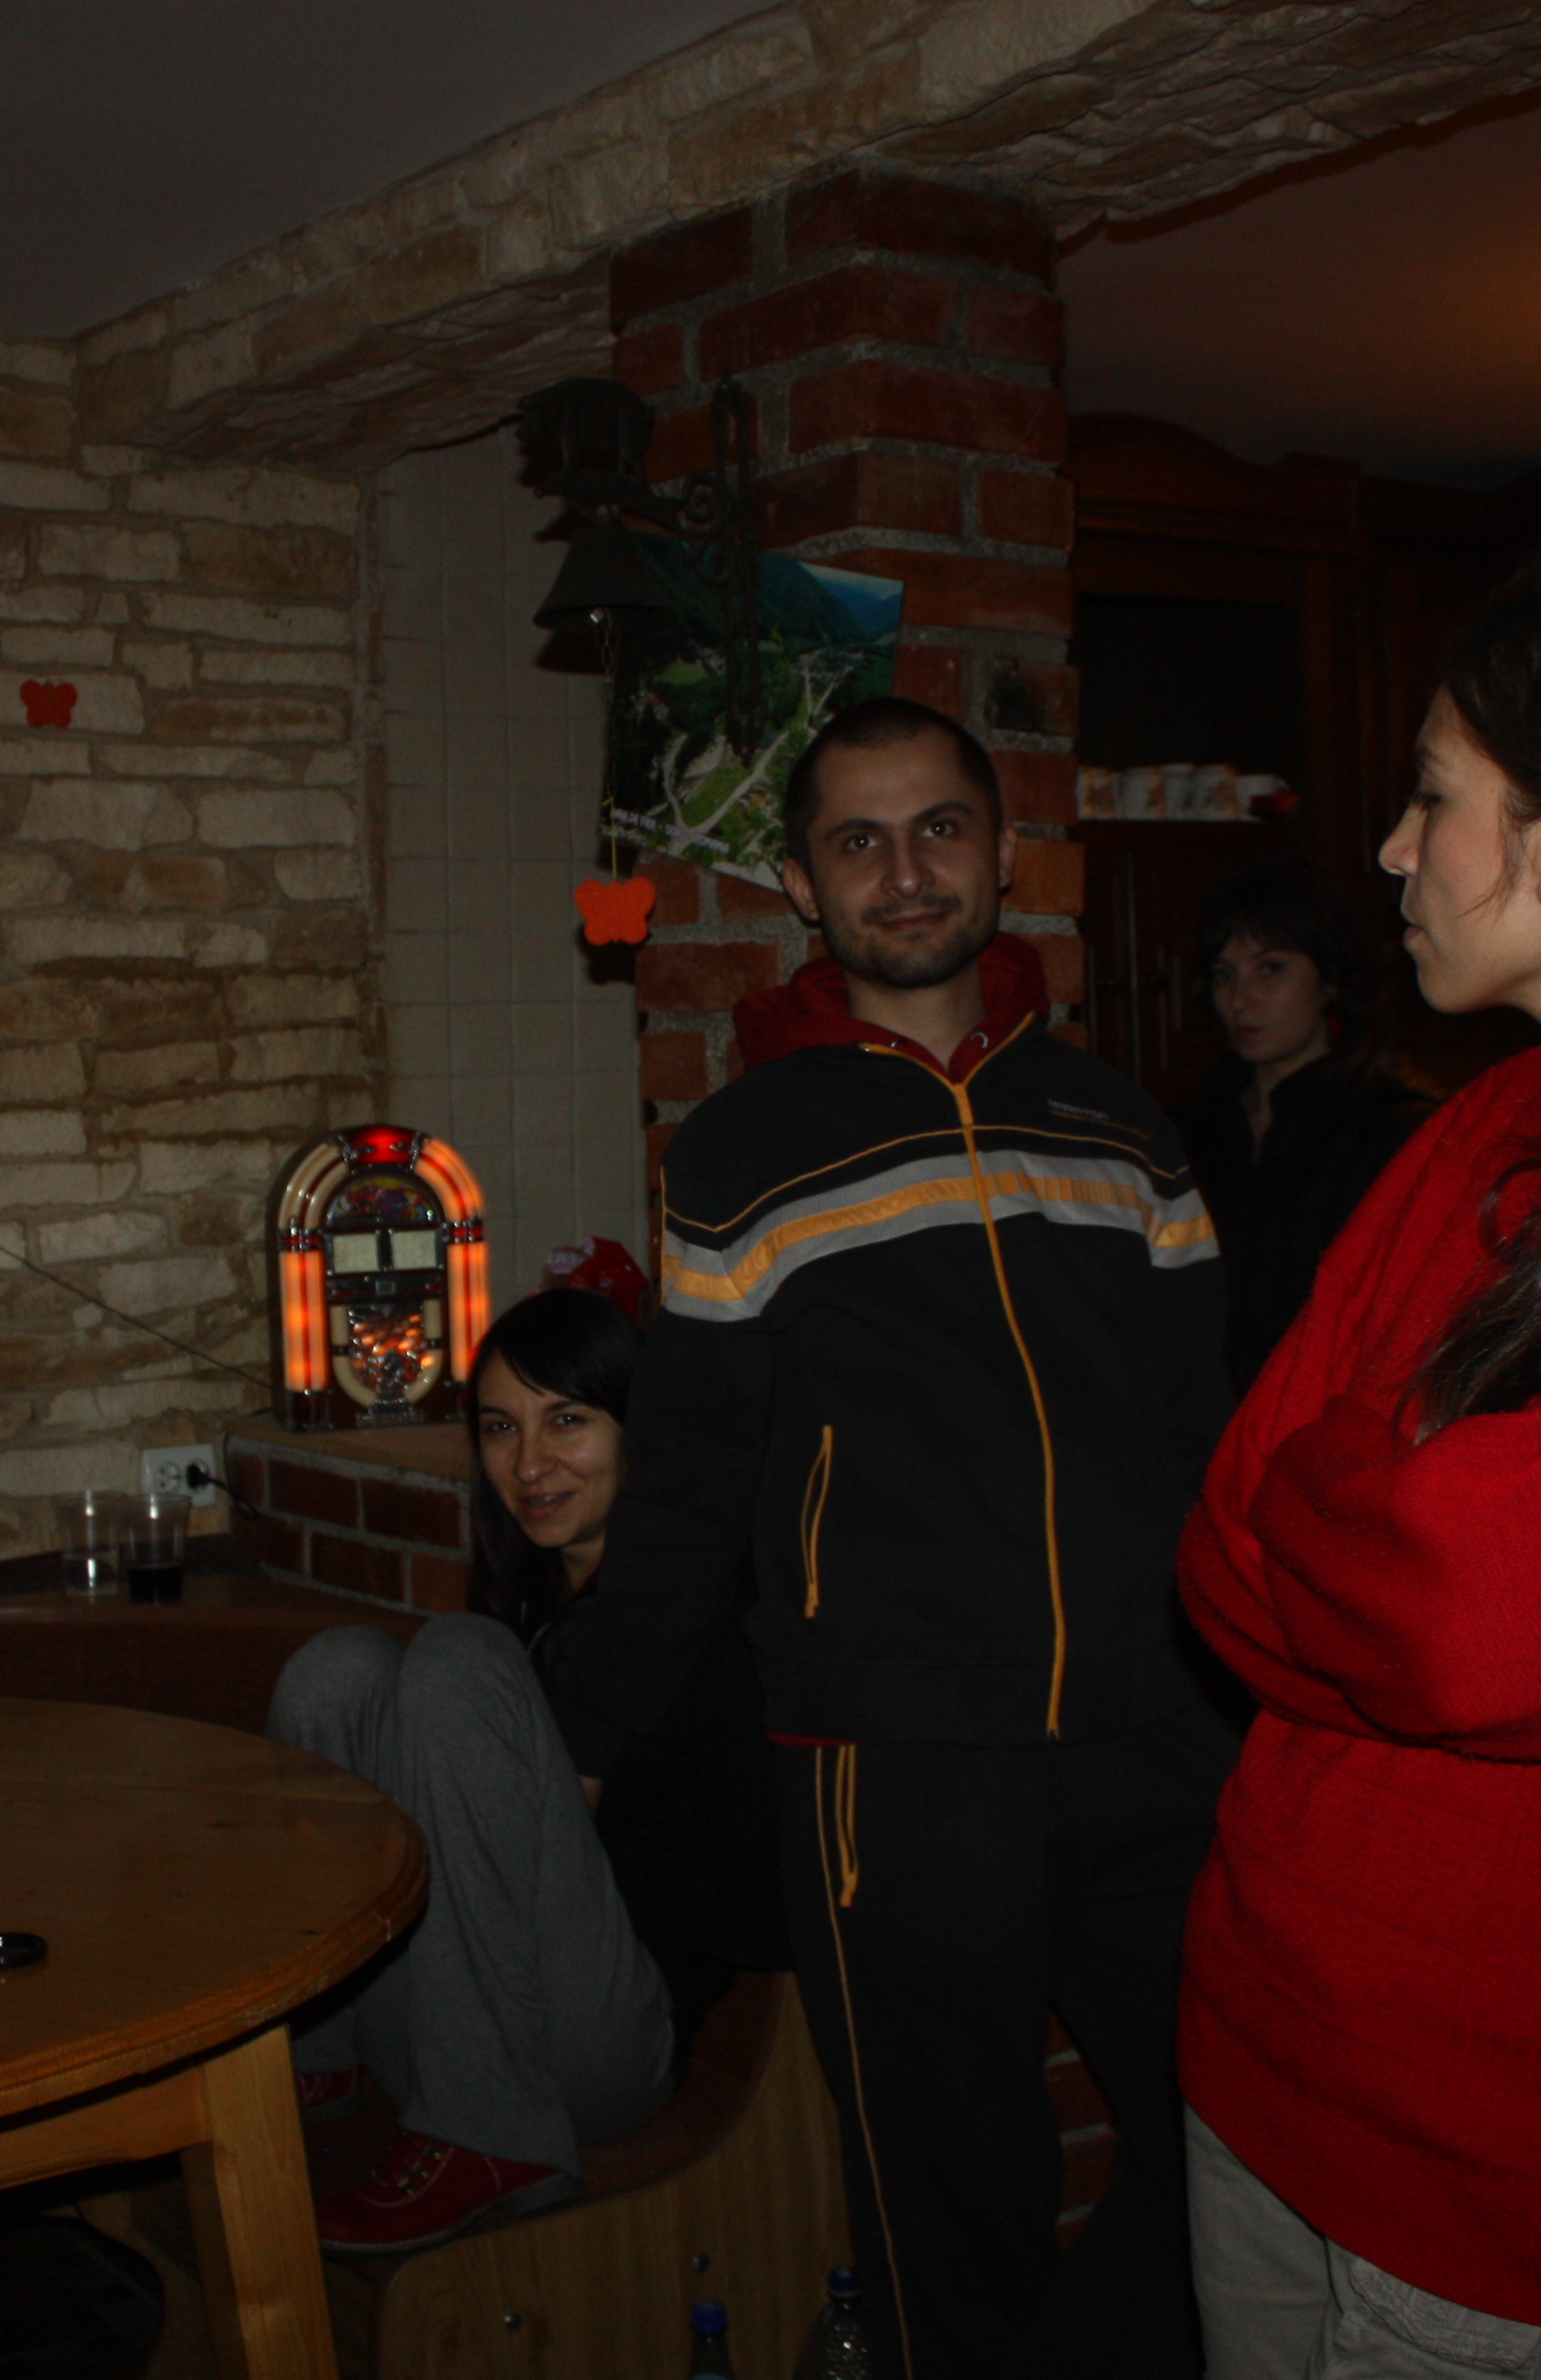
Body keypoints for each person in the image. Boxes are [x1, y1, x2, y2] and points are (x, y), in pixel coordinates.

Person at [543, 697, 1235, 2380]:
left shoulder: (1124, 1127)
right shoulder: (740, 1150)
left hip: (1154, 1743)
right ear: (802, 883)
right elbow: (690, 1477)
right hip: (895, 1770)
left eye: (938, 827)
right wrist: (585, 1727)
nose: (904, 870)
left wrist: (1250, 1696)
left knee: (1235, 2152)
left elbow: (1209, 1434)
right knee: (947, 2215)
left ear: (1002, 850)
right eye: (858, 839)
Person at [1177, 547, 1541, 2379]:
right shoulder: (1482, 1123)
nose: (1390, 849)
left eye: (1433, 796)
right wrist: (1370, 1508)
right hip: (1257, 2031)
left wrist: (1349, 1487)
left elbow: (1469, 1623)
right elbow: (1223, 1533)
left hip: (1482, 2130)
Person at [272, 1287, 786, 2256]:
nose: (530, 1462)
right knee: (339, 1669)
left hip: (602, 2046)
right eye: (502, 1427)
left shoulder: (715, 1630)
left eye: (567, 1420)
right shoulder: (535, 1609)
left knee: (457, 1656)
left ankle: (492, 2140)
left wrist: (567, 1859)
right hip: (450, 2030)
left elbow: (773, 1896)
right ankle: (317, 2056)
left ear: (639, 1433)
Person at [1178, 858, 1435, 1387]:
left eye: (1270, 969)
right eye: (1225, 975)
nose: (1241, 1000)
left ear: (1329, 978)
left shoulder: (1389, 1131)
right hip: (1204, 1415)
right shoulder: (1189, 1128)